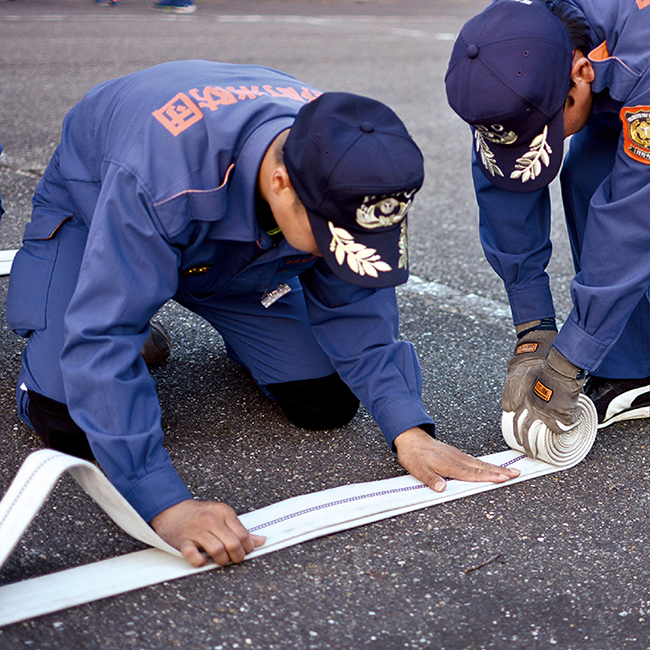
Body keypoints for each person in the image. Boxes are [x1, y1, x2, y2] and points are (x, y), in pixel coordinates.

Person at [6, 61, 518, 568]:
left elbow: (356, 303)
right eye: (331, 238)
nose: (342, 251)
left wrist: (410, 430)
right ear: (280, 184)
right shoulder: (160, 177)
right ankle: (130, 314)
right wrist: (163, 503)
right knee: (73, 420)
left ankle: (208, 314)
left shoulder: (347, 166)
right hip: (103, 209)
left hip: (230, 246)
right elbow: (104, 334)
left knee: (325, 401)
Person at [445, 0, 650, 436]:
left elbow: (634, 222)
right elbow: (504, 183)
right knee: (588, 174)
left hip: (641, 75)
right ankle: (633, 368)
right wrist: (533, 327)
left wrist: (571, 357)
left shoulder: (641, 56)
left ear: (581, 73)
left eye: (547, 129)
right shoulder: (508, 59)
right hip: (617, 80)